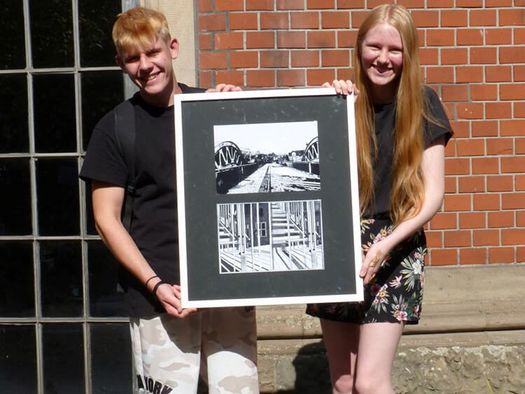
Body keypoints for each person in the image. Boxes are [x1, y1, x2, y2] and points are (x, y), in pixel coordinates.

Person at [80, 7, 259, 394]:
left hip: (226, 288)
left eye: (152, 53)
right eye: (133, 58)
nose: (145, 65)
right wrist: (156, 285)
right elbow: (105, 221)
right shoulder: (115, 128)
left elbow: (253, 172)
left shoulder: (211, 108)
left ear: (172, 48)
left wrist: (241, 112)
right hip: (158, 296)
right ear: (121, 64)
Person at [306, 4, 453, 394]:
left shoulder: (424, 102)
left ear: (409, 54)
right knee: (343, 383)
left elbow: (433, 194)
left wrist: (385, 245)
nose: (383, 59)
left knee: (369, 383)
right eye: (374, 47)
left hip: (398, 243)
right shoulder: (342, 103)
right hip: (340, 245)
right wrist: (319, 109)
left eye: (395, 50)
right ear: (359, 47)